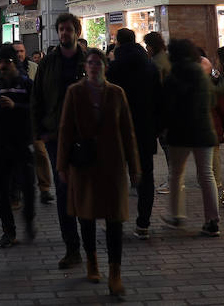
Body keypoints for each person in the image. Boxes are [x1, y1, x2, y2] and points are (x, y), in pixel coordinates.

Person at [57, 48, 139, 297]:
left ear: (105, 66)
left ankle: (115, 273)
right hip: (84, 165)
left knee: (115, 221)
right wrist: (62, 165)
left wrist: (134, 167)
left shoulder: (116, 93)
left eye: (98, 63)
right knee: (87, 217)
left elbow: (128, 130)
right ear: (86, 66)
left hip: (112, 165)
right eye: (90, 63)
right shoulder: (75, 92)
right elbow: (65, 129)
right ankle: (92, 262)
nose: (94, 67)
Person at [33, 11, 88, 270]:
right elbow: (37, 98)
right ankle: (72, 248)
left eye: (69, 29)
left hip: (84, 135)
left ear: (77, 32)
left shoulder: (89, 61)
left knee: (84, 192)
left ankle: (90, 251)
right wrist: (38, 130)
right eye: (61, 29)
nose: (64, 33)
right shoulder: (48, 63)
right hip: (56, 135)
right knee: (65, 191)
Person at [160, 38, 222, 237]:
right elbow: (212, 99)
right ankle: (212, 220)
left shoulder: (173, 76)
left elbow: (167, 106)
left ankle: (177, 216)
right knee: (206, 175)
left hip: (180, 133)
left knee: (176, 174)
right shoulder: (202, 75)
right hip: (204, 130)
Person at [0, 43, 37, 248]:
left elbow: (36, 109)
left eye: (7, 62)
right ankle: (8, 231)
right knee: (0, 190)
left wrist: (16, 106)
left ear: (15, 63)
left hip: (22, 142)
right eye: (0, 62)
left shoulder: (26, 83)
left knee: (28, 186)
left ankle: (29, 219)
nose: (3, 66)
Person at [107, 28, 161, 239]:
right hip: (145, 129)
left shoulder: (114, 67)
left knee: (117, 175)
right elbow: (159, 98)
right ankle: (143, 223)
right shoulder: (150, 66)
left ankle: (116, 220)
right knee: (146, 176)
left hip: (119, 129)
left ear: (118, 43)